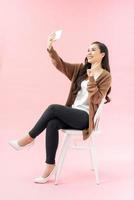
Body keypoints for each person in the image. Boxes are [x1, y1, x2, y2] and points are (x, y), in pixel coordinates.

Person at [9, 32, 112, 184]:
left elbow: (97, 99)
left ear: (102, 54)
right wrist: (50, 48)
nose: (89, 52)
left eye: (93, 50)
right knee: (52, 123)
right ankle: (49, 165)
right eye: (88, 50)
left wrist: (91, 79)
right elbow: (61, 64)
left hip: (85, 118)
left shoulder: (105, 76)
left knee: (53, 109)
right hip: (73, 113)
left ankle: (29, 138)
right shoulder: (81, 69)